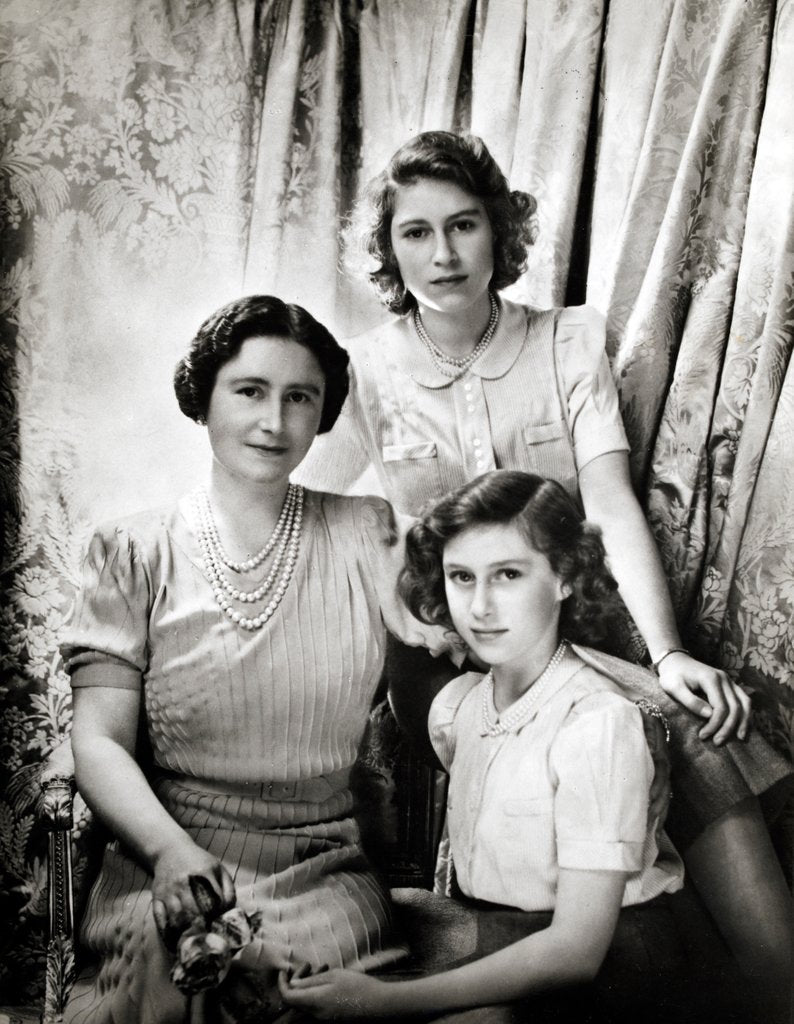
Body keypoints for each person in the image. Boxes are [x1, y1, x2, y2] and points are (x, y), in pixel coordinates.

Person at [292, 130, 794, 991]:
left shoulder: (566, 342)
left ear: (499, 231)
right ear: (389, 248)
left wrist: (666, 653)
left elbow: (607, 502)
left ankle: (772, 990)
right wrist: (390, 596)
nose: (443, 254)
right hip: (446, 655)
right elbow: (313, 507)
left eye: (464, 225)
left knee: (687, 725)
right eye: (415, 233)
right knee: (665, 730)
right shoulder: (365, 373)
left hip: (576, 634)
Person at [61, 295, 456, 1024]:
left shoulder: (369, 532)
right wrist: (169, 851)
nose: (275, 422)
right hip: (167, 857)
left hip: (322, 868)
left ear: (323, 413)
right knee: (175, 972)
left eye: (299, 398)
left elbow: (437, 689)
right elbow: (98, 741)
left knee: (286, 984)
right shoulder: (132, 552)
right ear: (203, 399)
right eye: (250, 392)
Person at [280, 471, 734, 1022]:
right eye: (462, 577)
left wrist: (383, 1001)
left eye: (509, 575)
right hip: (505, 940)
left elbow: (575, 953)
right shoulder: (468, 708)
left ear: (565, 577)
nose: (480, 607)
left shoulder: (597, 724)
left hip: (613, 974)